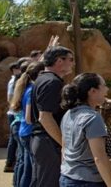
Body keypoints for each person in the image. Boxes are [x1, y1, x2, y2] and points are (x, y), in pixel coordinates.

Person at [59, 73, 111, 187]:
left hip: (66, 177)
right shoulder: (92, 118)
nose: (107, 89)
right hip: (87, 181)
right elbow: (99, 158)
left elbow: (64, 148)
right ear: (92, 91)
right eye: (104, 86)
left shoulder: (68, 113)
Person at [30, 46, 75, 187]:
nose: (73, 63)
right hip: (48, 142)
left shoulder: (43, 78)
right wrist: (64, 144)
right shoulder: (52, 82)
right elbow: (45, 117)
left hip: (43, 141)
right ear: (59, 61)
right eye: (70, 60)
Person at [10, 61, 45, 187]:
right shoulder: (31, 91)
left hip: (24, 131)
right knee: (30, 170)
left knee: (27, 166)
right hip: (29, 132)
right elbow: (29, 118)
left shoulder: (27, 87)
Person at [5, 61, 21, 173]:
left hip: (14, 113)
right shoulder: (13, 81)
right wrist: (15, 107)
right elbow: (10, 97)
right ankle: (10, 162)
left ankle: (10, 162)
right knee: (14, 139)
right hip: (14, 114)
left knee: (14, 139)